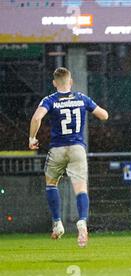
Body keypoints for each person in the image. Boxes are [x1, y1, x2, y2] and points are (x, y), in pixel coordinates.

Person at [28, 67, 109, 247]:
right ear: (70, 81)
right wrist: (88, 108)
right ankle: (82, 221)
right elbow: (104, 115)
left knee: (51, 184)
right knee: (80, 189)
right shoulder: (81, 98)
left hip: (57, 148)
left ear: (55, 83)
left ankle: (57, 222)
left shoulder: (50, 100)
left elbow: (36, 118)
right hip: (77, 149)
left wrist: (32, 138)